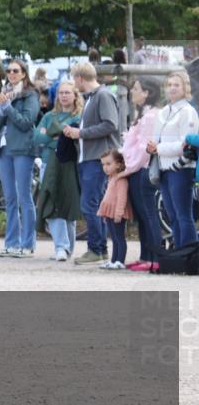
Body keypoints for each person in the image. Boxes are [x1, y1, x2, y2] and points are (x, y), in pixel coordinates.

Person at [64, 62, 121, 265]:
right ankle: (100, 249)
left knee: (90, 204)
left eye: (74, 78)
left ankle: (95, 248)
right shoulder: (92, 98)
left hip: (98, 160)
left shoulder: (103, 96)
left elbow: (110, 124)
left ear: (80, 78)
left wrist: (81, 133)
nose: (73, 83)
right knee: (93, 204)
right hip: (89, 158)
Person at [0, 59, 40, 259]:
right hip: (4, 149)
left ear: (23, 74)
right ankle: (11, 243)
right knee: (10, 198)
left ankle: (27, 244)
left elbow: (27, 122)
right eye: (8, 70)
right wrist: (2, 108)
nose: (11, 73)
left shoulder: (30, 95)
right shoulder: (5, 93)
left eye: (15, 70)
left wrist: (8, 107)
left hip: (22, 149)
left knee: (24, 197)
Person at [147, 70, 199, 249]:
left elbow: (186, 144)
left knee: (184, 215)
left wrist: (158, 148)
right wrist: (152, 147)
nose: (172, 88)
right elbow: (156, 140)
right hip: (163, 168)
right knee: (173, 216)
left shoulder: (188, 111)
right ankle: (179, 254)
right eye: (169, 85)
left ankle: (191, 255)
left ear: (185, 87)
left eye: (177, 85)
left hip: (181, 169)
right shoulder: (163, 112)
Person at [33, 80, 83, 261]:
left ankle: (68, 247)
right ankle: (60, 247)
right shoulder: (48, 116)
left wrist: (53, 133)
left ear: (75, 95)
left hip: (70, 164)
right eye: (61, 93)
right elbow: (37, 138)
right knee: (51, 203)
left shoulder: (79, 116)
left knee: (68, 204)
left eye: (67, 92)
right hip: (49, 163)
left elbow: (74, 137)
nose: (63, 96)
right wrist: (58, 134)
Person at [119, 77, 164, 271]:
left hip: (142, 171)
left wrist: (128, 168)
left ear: (147, 93)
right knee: (143, 216)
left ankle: (155, 258)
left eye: (136, 89)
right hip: (136, 170)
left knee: (149, 215)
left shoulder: (151, 116)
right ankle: (145, 255)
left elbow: (144, 149)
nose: (133, 92)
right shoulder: (143, 114)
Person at [97, 150, 133, 270]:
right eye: (103, 165)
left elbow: (122, 198)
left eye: (108, 164)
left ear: (118, 164)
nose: (105, 168)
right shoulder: (111, 178)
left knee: (119, 237)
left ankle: (120, 261)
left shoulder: (121, 180)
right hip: (109, 213)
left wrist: (119, 214)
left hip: (117, 214)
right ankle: (113, 260)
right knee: (113, 237)